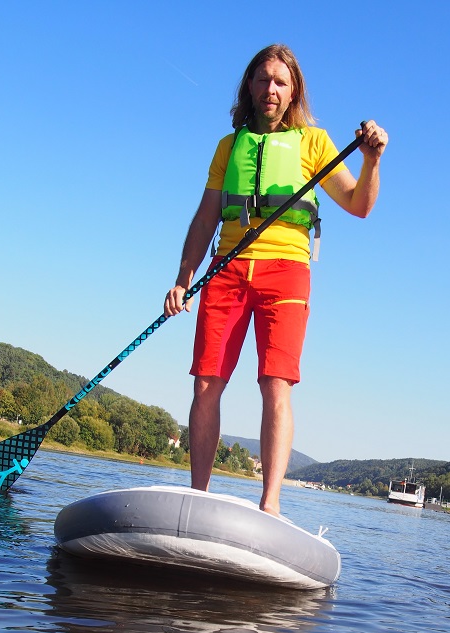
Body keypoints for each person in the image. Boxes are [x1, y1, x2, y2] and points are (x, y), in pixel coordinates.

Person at [164, 44, 387, 516]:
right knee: (206, 384)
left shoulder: (314, 143)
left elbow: (359, 205)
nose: (271, 88)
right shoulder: (228, 147)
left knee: (275, 384)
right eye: (263, 79)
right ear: (249, 85)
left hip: (286, 274)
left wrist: (372, 160)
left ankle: (270, 506)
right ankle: (197, 500)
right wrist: (183, 278)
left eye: (281, 82)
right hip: (225, 270)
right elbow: (205, 219)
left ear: (293, 92)